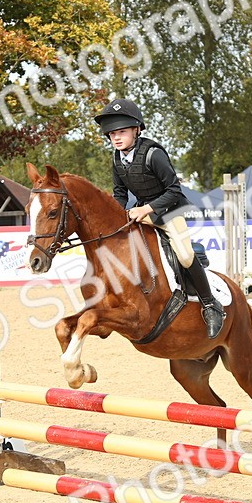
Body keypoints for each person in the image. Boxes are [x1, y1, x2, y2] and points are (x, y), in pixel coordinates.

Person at [94, 98, 225, 338]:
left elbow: (175, 190)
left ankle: (210, 305)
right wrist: (117, 218)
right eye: (112, 134)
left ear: (136, 129)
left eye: (122, 132)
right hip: (143, 212)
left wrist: (146, 209)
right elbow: (120, 194)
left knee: (185, 255)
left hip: (172, 210)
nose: (116, 137)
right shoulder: (116, 158)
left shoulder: (153, 154)